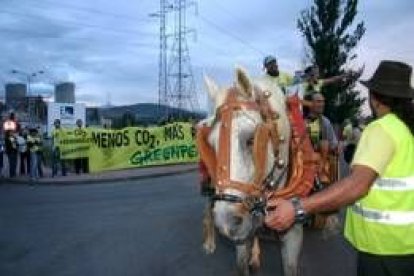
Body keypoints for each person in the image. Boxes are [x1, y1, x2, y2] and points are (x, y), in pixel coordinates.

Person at [265, 60, 414, 276]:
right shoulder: (404, 129)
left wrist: (297, 207)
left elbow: (356, 186)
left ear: (374, 97)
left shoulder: (381, 129)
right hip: (404, 243)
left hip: (384, 247)